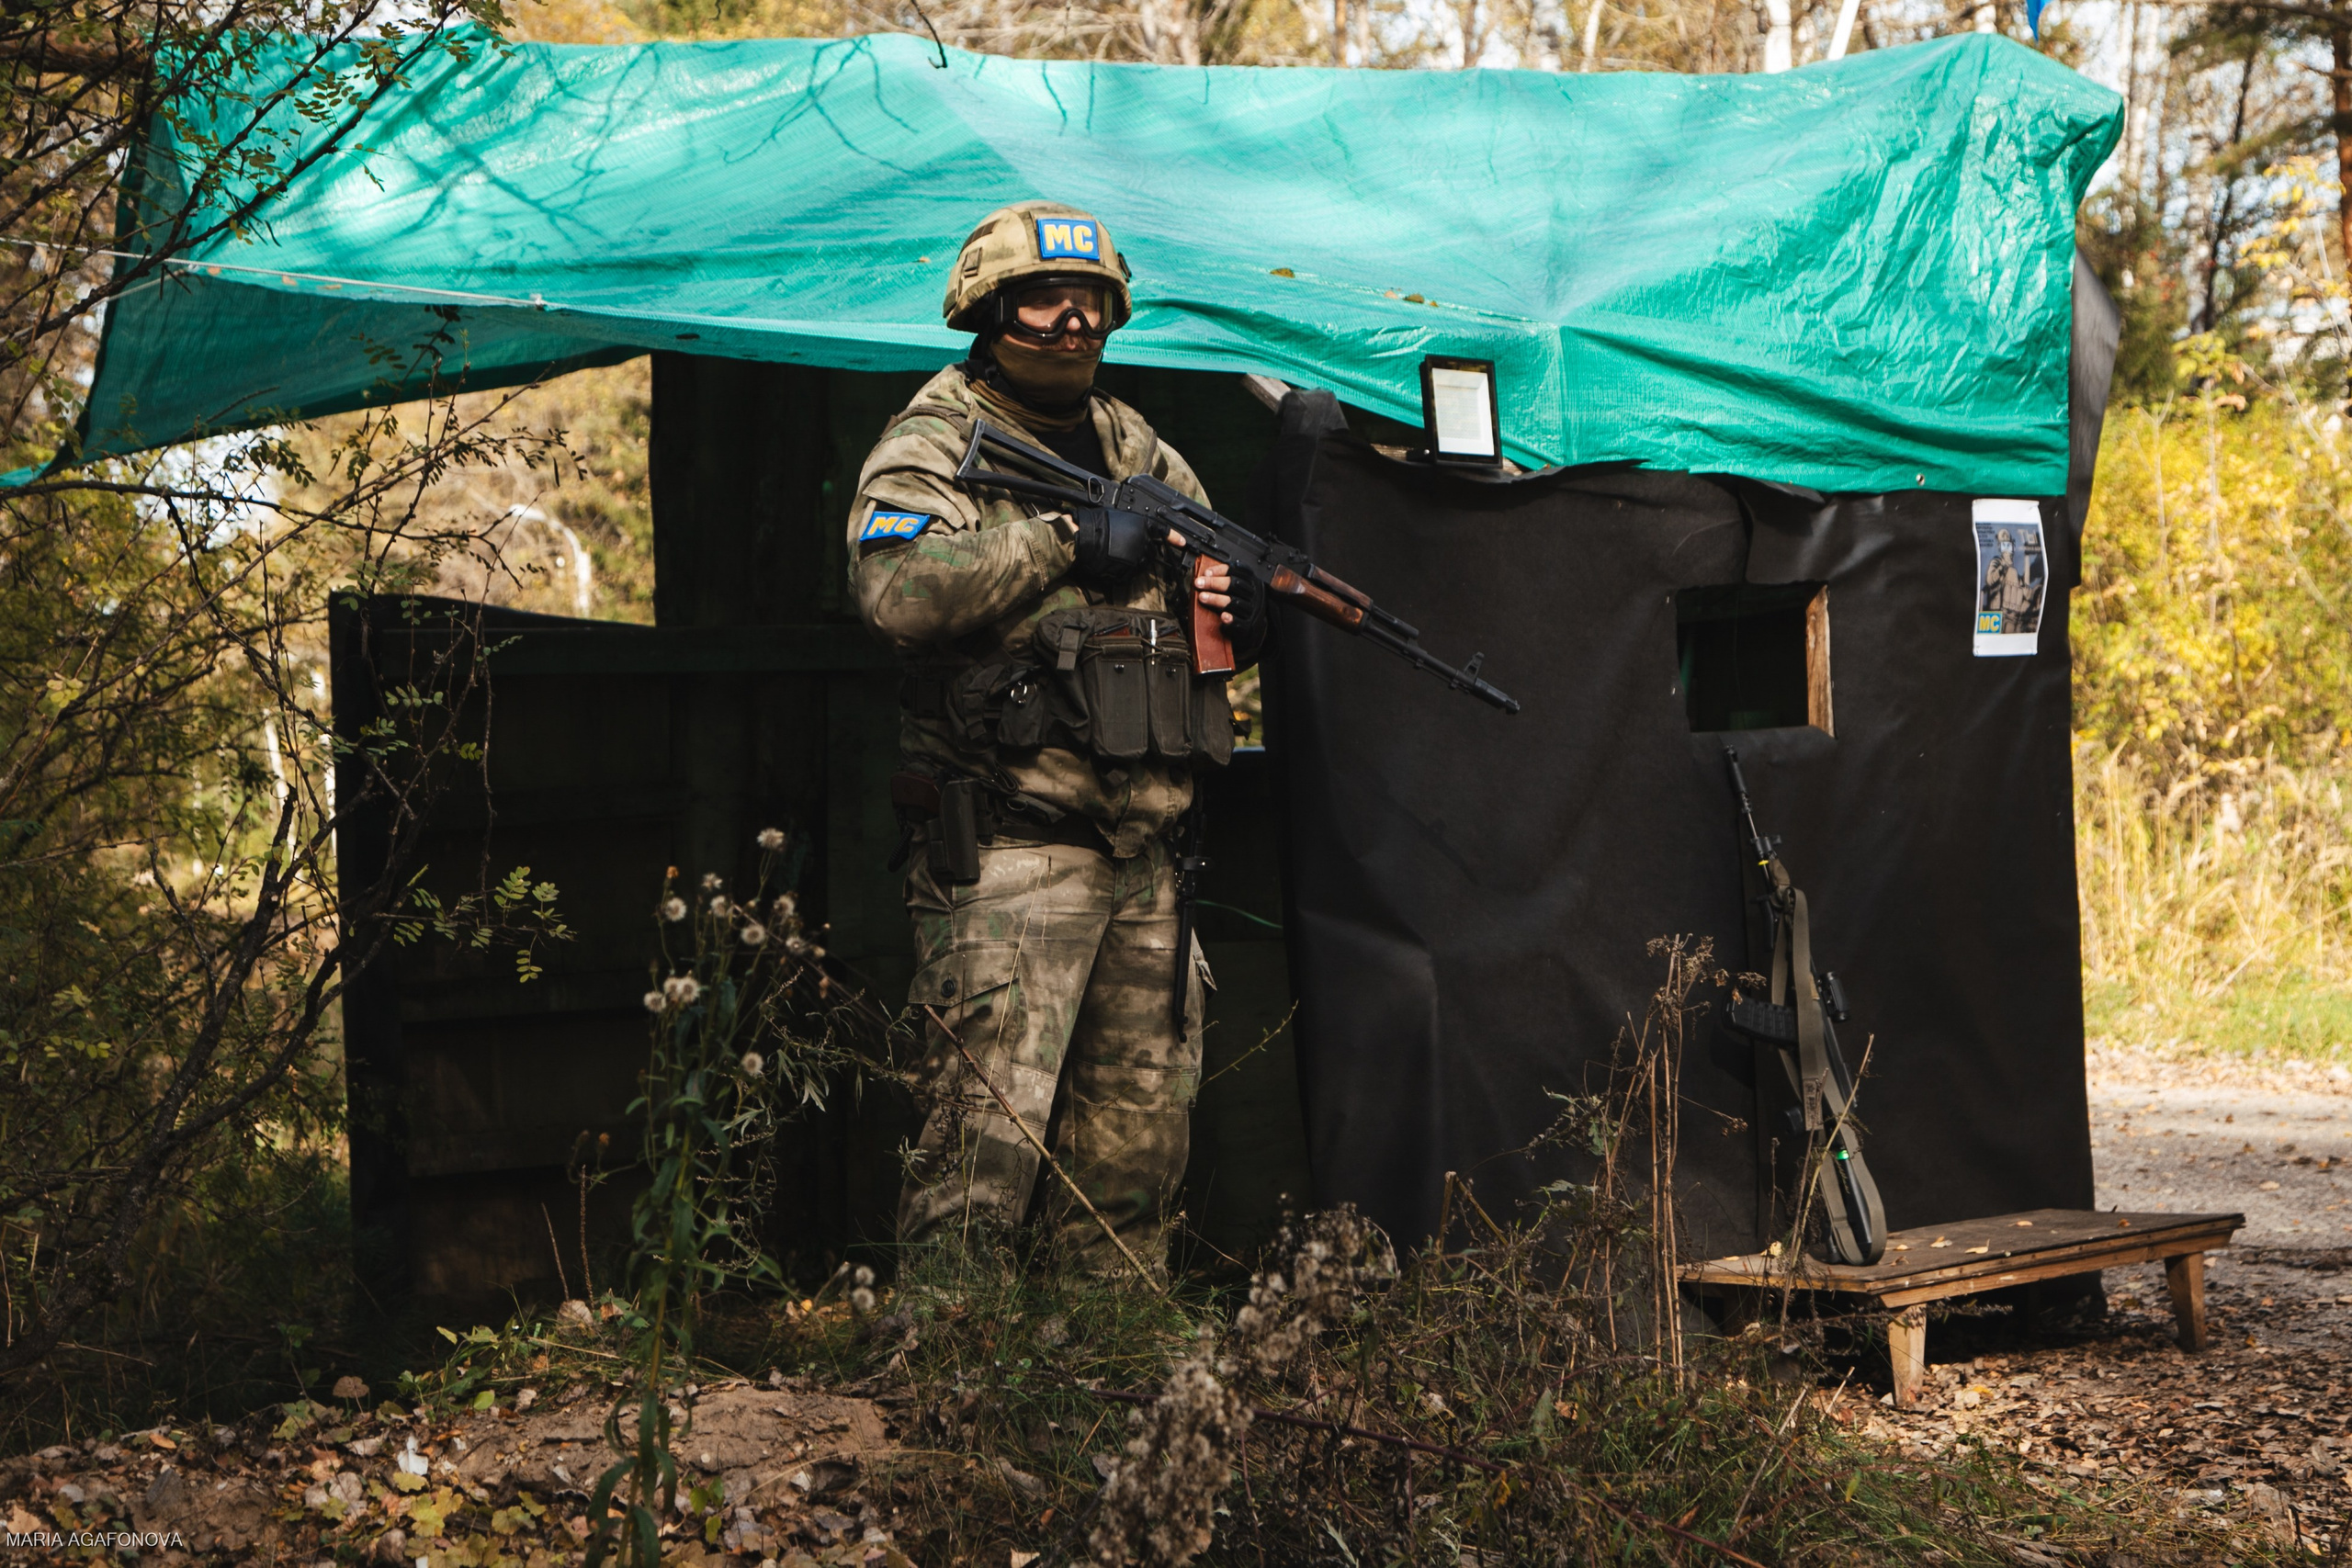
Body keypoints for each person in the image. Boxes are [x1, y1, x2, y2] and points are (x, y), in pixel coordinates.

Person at [845, 200, 1267, 1274]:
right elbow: (896, 592)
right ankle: (942, 1401)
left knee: (1133, 1173)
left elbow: (1205, 611)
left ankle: (1108, 1396)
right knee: (975, 1169)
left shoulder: (1138, 445)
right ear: (988, 311)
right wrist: (1066, 538)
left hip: (1145, 857)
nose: (1074, 321)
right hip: (1010, 853)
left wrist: (1235, 613)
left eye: (1093, 302)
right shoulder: (935, 440)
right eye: (1045, 298)